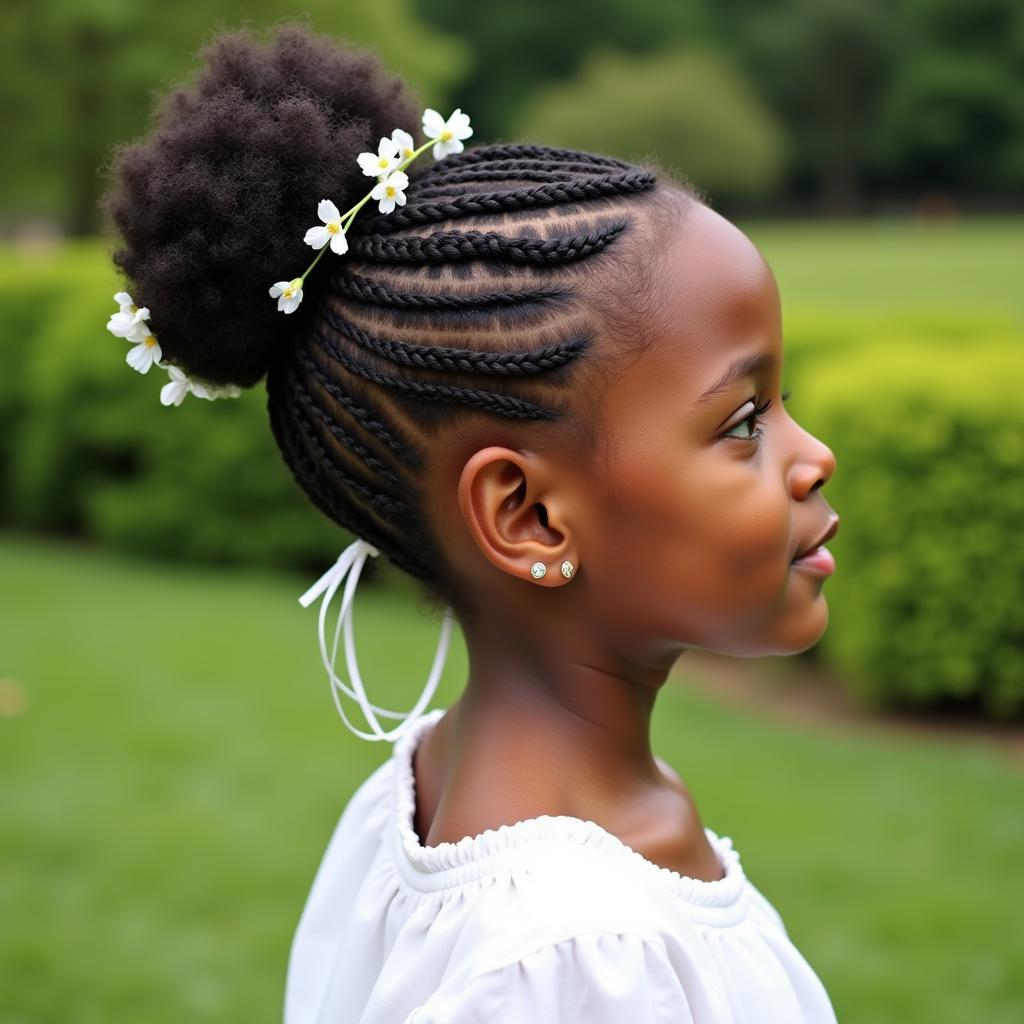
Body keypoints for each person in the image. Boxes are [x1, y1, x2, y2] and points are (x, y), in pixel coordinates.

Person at [101, 22, 841, 1024]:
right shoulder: (574, 959)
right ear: (529, 516)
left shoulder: (414, 799)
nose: (812, 457)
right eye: (743, 421)